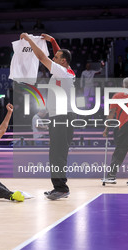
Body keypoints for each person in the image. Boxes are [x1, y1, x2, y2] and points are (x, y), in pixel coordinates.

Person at [20, 33, 75, 200]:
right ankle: (59, 187)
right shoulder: (67, 71)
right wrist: (53, 41)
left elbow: (41, 56)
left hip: (61, 117)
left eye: (57, 57)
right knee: (56, 153)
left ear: (63, 61)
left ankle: (62, 188)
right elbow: (58, 54)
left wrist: (29, 40)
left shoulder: (61, 71)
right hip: (60, 118)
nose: (54, 57)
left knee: (57, 154)